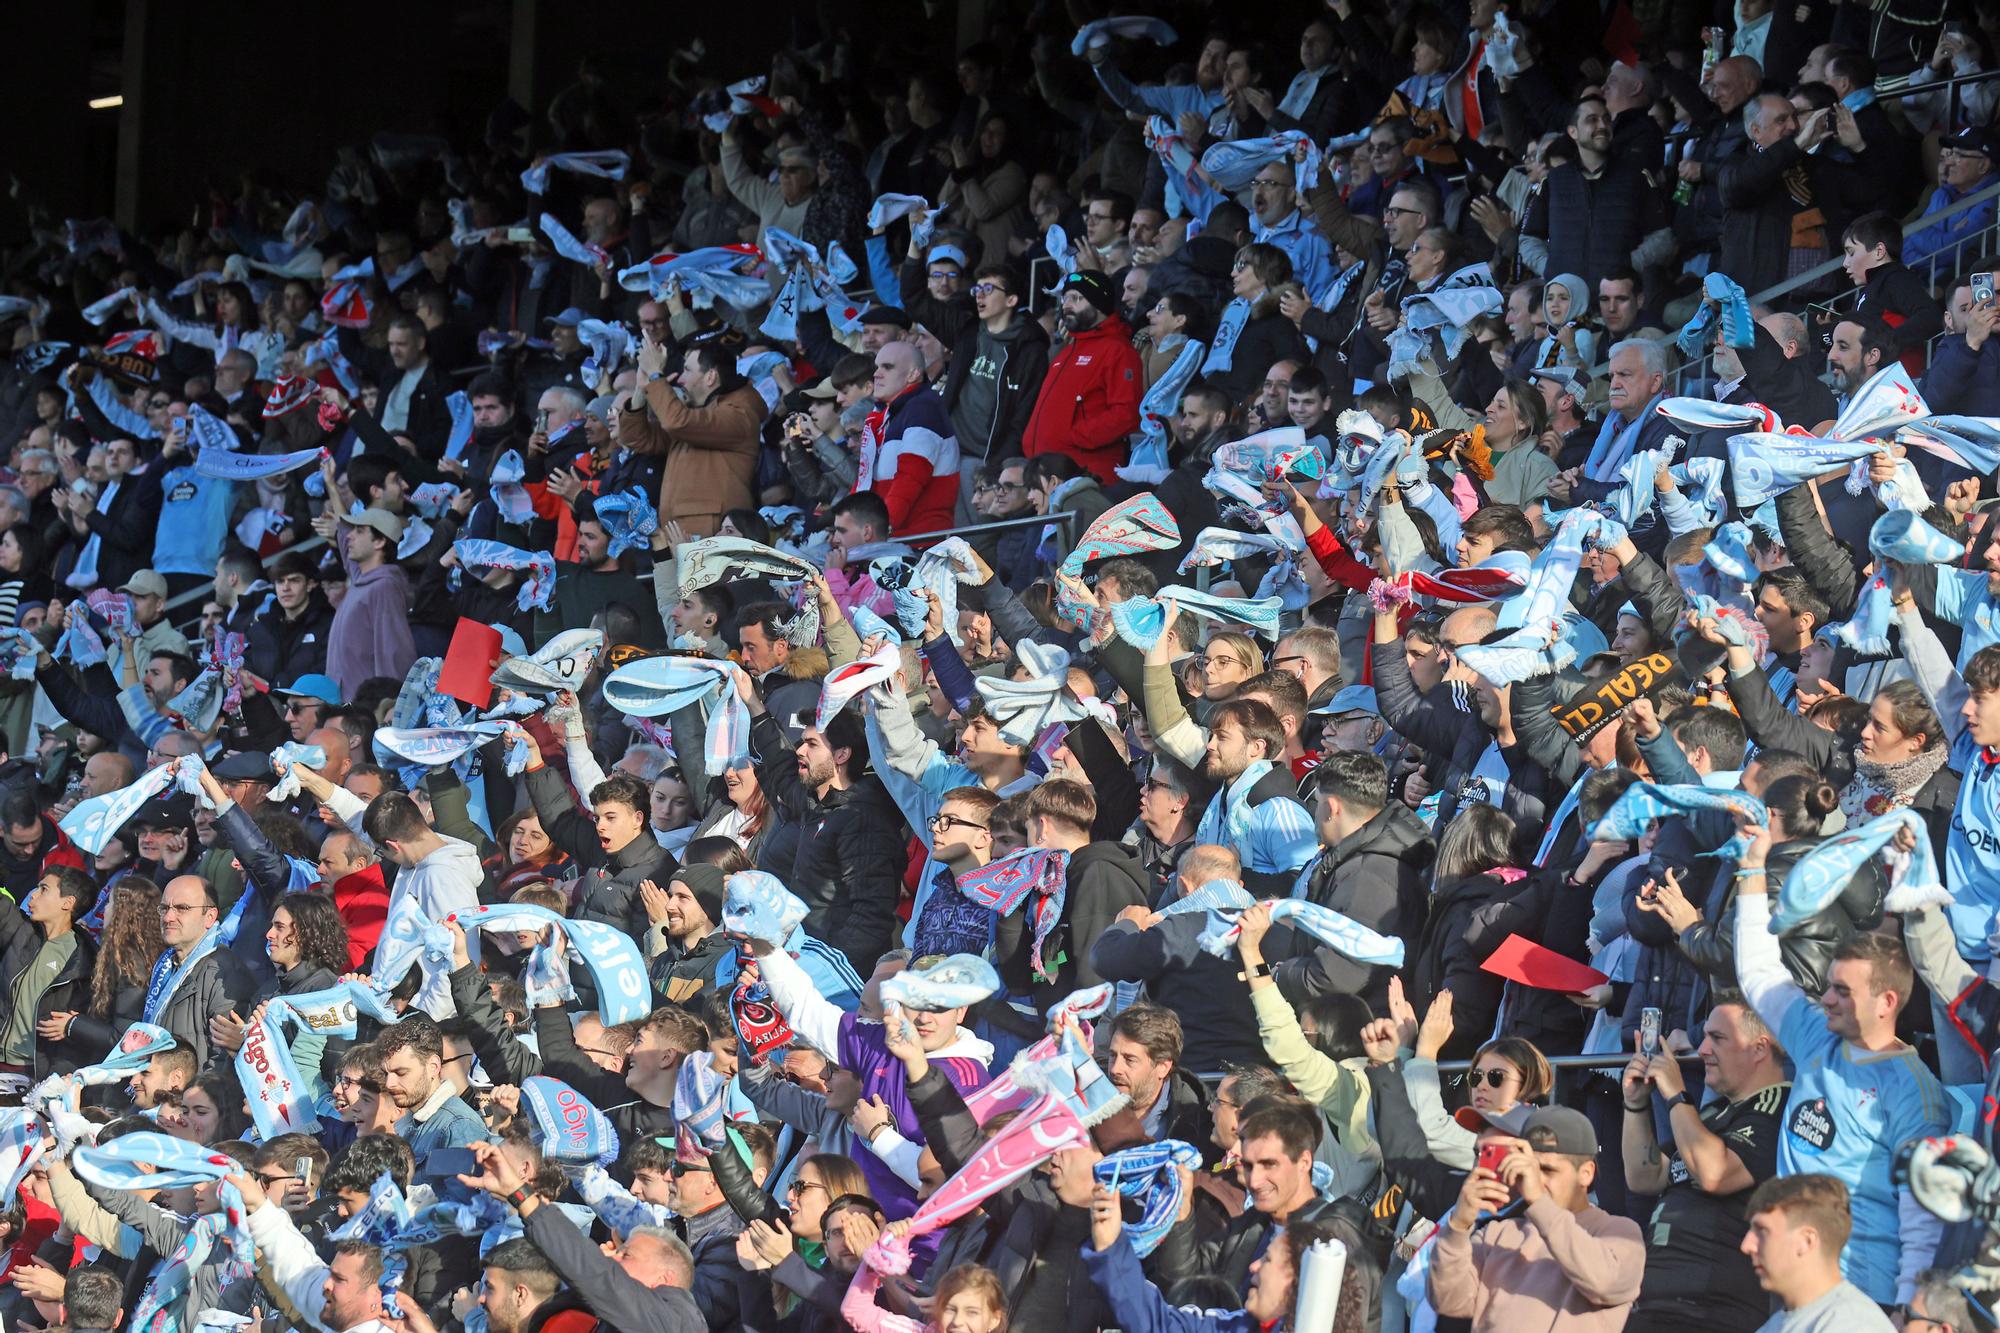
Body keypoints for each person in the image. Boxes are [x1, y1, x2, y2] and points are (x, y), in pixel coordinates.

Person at [1732, 819, 1950, 1307]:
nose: (1825, 999)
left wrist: (1910, 1307)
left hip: (1862, 1292)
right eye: (1829, 985)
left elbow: (1923, 1209)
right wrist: (1751, 869)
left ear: (1886, 1001)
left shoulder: (1913, 1090)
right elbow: (1760, 972)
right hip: (1793, 1273)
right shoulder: (1816, 1037)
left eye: (1842, 991)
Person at [1622, 1001, 1792, 1333]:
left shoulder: (1778, 1109)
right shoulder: (1711, 1117)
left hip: (1709, 1314)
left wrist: (1676, 1093)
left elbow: (1715, 1174)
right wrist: (1635, 1105)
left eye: (1716, 1038)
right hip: (1655, 1307)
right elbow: (1645, 1175)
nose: (1702, 1050)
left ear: (1759, 1049)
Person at [1430, 1105, 1646, 1333]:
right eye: (1530, 1169)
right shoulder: (1497, 1233)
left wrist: (1538, 1202)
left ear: (1586, 1173)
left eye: (1547, 1170)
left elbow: (1606, 1284)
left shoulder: (1619, 1231)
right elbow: (1448, 1301)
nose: (1535, 1180)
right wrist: (1458, 1226)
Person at [1739, 1174, 1897, 1333]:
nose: (1746, 1246)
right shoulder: (1774, 1326)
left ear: (1806, 1241)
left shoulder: (1854, 1325)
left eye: (1762, 1231)